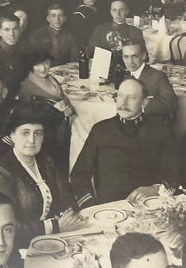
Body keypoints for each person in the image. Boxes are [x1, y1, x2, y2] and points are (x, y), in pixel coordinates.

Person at [70, 78, 178, 206]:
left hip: (147, 206)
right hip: (107, 209)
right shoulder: (101, 130)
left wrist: (154, 189)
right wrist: (90, 205)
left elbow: (173, 176)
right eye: (120, 96)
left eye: (131, 98)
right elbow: (79, 175)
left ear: (144, 103)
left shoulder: (161, 132)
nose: (123, 103)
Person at [0, 107, 84, 243]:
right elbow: (8, 226)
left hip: (57, 235)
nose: (32, 140)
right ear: (12, 135)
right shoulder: (0, 175)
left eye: (38, 134)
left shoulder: (46, 161)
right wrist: (54, 226)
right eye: (25, 133)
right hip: (22, 244)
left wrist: (69, 215)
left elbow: (66, 195)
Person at [119, 40, 177, 127]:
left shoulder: (157, 76)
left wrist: (140, 105)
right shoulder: (127, 78)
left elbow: (171, 102)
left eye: (134, 56)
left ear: (143, 56)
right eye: (126, 57)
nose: (130, 62)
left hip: (155, 127)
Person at [0, 13, 30, 92]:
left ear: (19, 31)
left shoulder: (25, 50)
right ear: (0, 32)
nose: (11, 34)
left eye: (15, 29)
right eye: (7, 30)